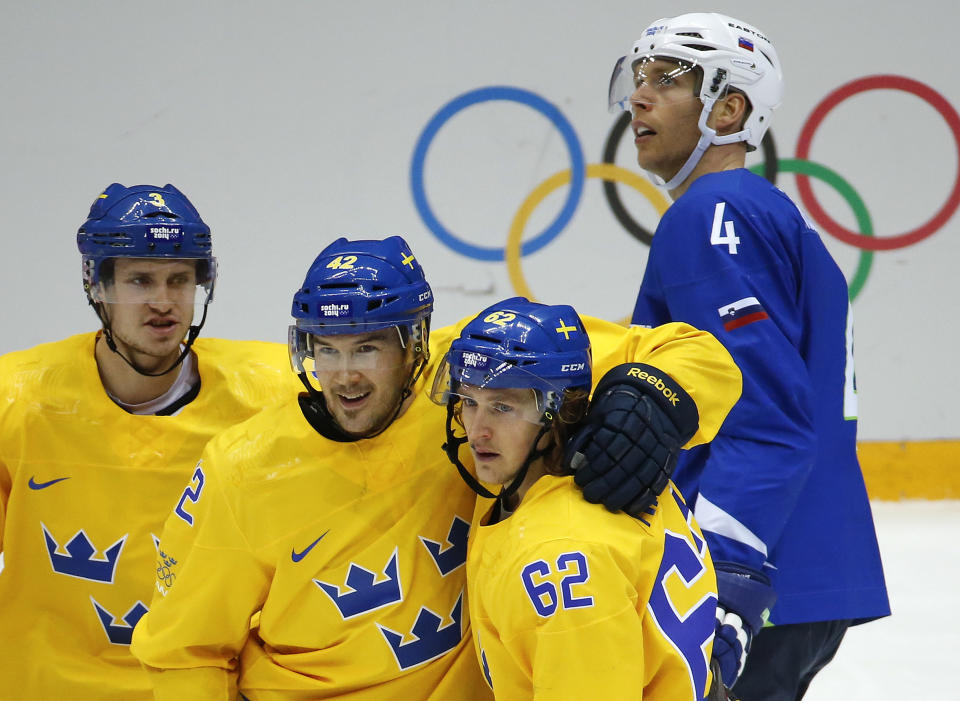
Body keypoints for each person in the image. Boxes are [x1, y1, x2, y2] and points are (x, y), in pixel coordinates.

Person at [131, 236, 742, 700]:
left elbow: (696, 354)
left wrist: (652, 397)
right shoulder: (245, 469)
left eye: (368, 346)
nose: (344, 375)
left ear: (416, 344)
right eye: (327, 348)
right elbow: (186, 651)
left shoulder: (485, 372)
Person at [596, 12, 890, 699]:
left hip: (758, 563)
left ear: (729, 108)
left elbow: (763, 416)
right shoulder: (755, 210)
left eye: (667, 80)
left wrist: (725, 576)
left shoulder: (714, 213)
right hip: (801, 559)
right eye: (638, 78)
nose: (639, 96)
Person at [0, 183, 298, 700]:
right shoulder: (17, 401)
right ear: (97, 285)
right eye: (140, 280)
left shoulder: (271, 392)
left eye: (179, 281)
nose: (163, 302)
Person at [430, 297, 723, 700]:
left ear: (561, 410)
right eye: (469, 402)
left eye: (502, 407)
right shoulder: (615, 461)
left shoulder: (559, 556)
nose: (477, 430)